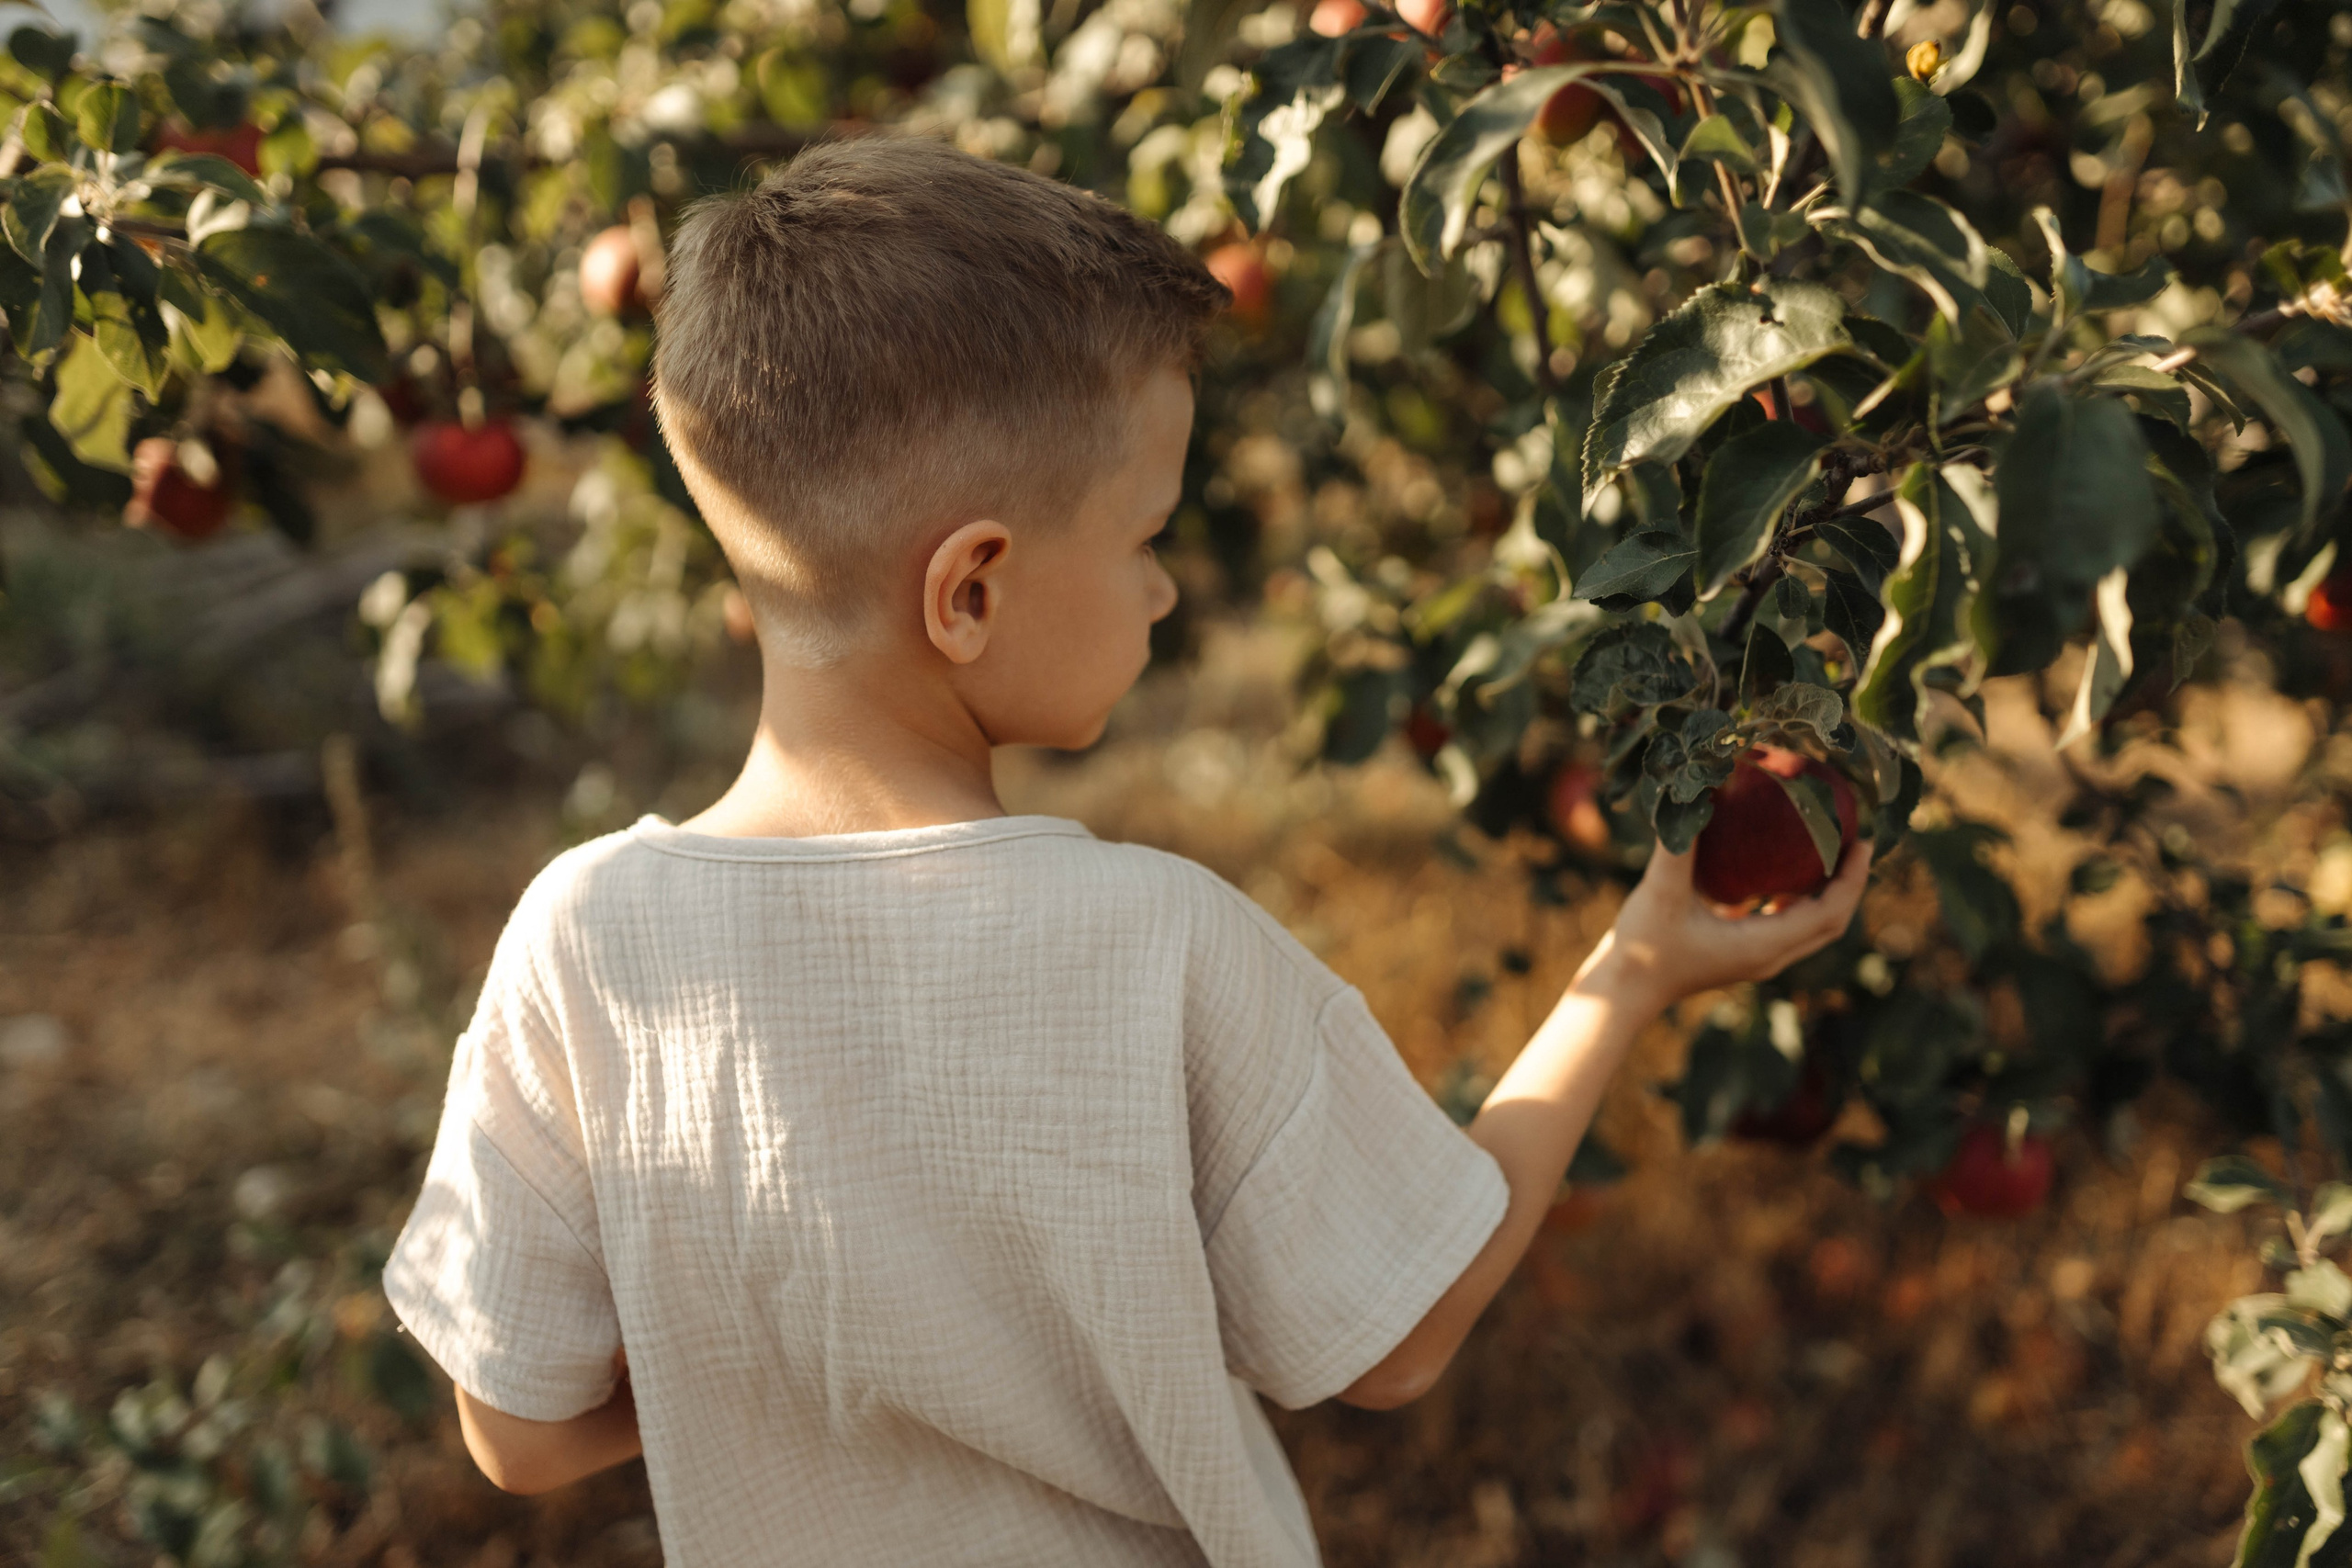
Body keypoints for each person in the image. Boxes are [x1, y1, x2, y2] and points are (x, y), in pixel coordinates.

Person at [381, 134, 1871, 1568]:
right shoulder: (1153, 941)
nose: (1164, 595)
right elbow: (1403, 1339)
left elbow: (517, 1427)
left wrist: (793, 1356)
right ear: (970, 590)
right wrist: (1629, 973)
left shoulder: (584, 938)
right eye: (1150, 535)